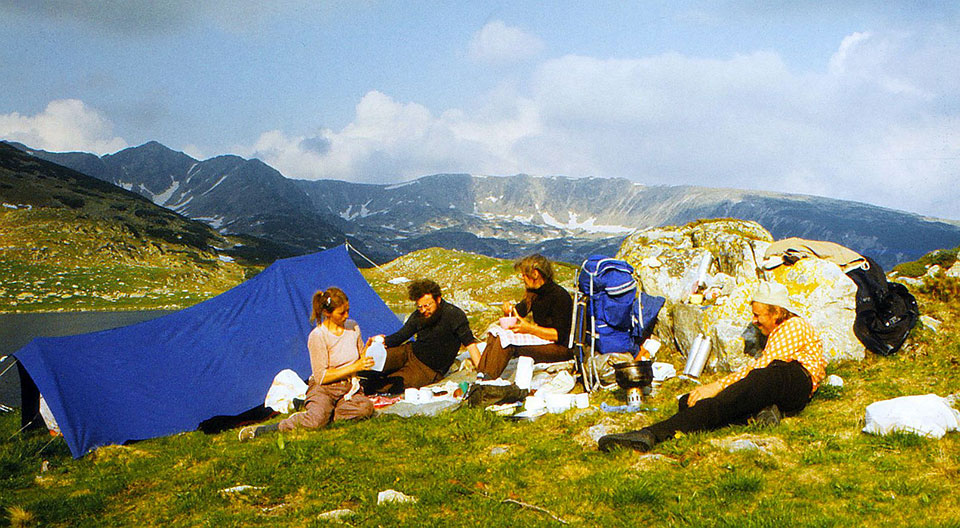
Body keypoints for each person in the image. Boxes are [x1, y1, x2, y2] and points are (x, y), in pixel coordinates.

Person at [599, 281, 827, 452]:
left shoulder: (793, 326)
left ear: (776, 312)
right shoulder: (779, 330)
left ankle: (651, 434)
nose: (755, 321)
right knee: (689, 402)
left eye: (758, 316)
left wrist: (716, 386)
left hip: (796, 379)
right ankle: (761, 413)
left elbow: (765, 366)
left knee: (737, 392)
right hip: (783, 383)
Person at [239, 287, 374, 440]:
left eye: (348, 310)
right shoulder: (318, 336)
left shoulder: (353, 327)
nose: (347, 315)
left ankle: (326, 414)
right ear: (327, 313)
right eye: (341, 313)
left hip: (348, 387)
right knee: (316, 422)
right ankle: (269, 428)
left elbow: (359, 358)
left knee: (365, 409)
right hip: (325, 389)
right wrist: (355, 367)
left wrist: (370, 347)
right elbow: (322, 376)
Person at [364, 279, 481, 394]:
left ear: (438, 300)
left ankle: (362, 388)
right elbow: (402, 335)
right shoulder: (418, 315)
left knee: (389, 385)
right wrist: (382, 341)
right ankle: (353, 376)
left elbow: (470, 345)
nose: (424, 310)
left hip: (427, 369)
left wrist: (482, 374)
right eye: (420, 307)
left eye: (427, 306)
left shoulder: (454, 315)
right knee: (374, 363)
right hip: (409, 352)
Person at [475, 254, 574, 379]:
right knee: (495, 335)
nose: (522, 278)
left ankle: (487, 380)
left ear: (535, 274)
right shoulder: (534, 294)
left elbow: (559, 335)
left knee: (508, 344)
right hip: (543, 340)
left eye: (524, 274)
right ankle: (481, 374)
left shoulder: (559, 296)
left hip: (561, 348)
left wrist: (529, 329)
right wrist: (508, 311)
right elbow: (517, 313)